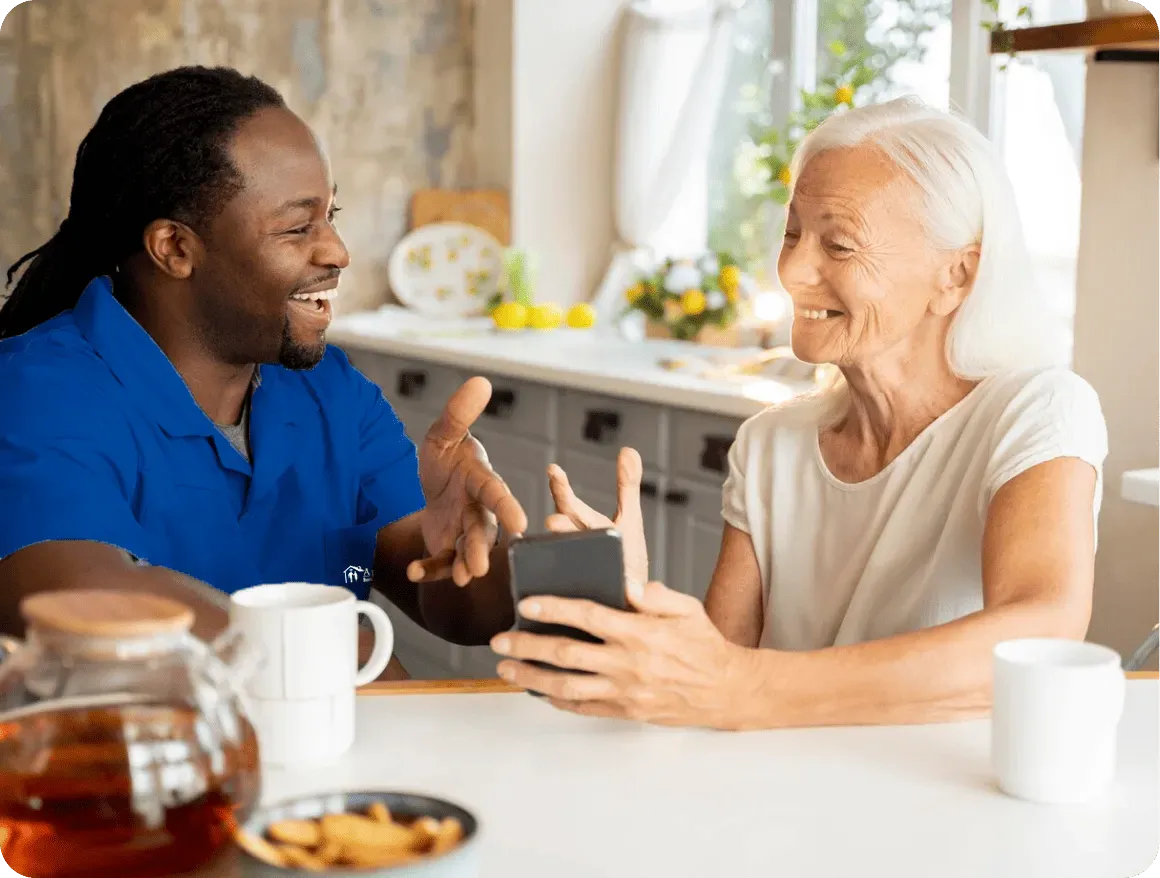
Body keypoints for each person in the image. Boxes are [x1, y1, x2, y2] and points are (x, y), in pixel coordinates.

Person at [488, 97, 1109, 729]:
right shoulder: (770, 443)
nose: (790, 270)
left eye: (838, 245)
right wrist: (640, 615)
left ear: (955, 274)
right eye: (791, 234)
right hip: (780, 806)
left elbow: (1041, 631)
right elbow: (716, 682)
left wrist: (742, 685)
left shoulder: (1038, 411)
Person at [0, 66, 525, 680]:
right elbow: (72, 596)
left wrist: (497, 556)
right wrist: (317, 657)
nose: (337, 252)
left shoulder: (334, 393)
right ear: (174, 247)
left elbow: (442, 598)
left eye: (332, 216)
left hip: (325, 758)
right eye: (299, 227)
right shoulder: (38, 390)